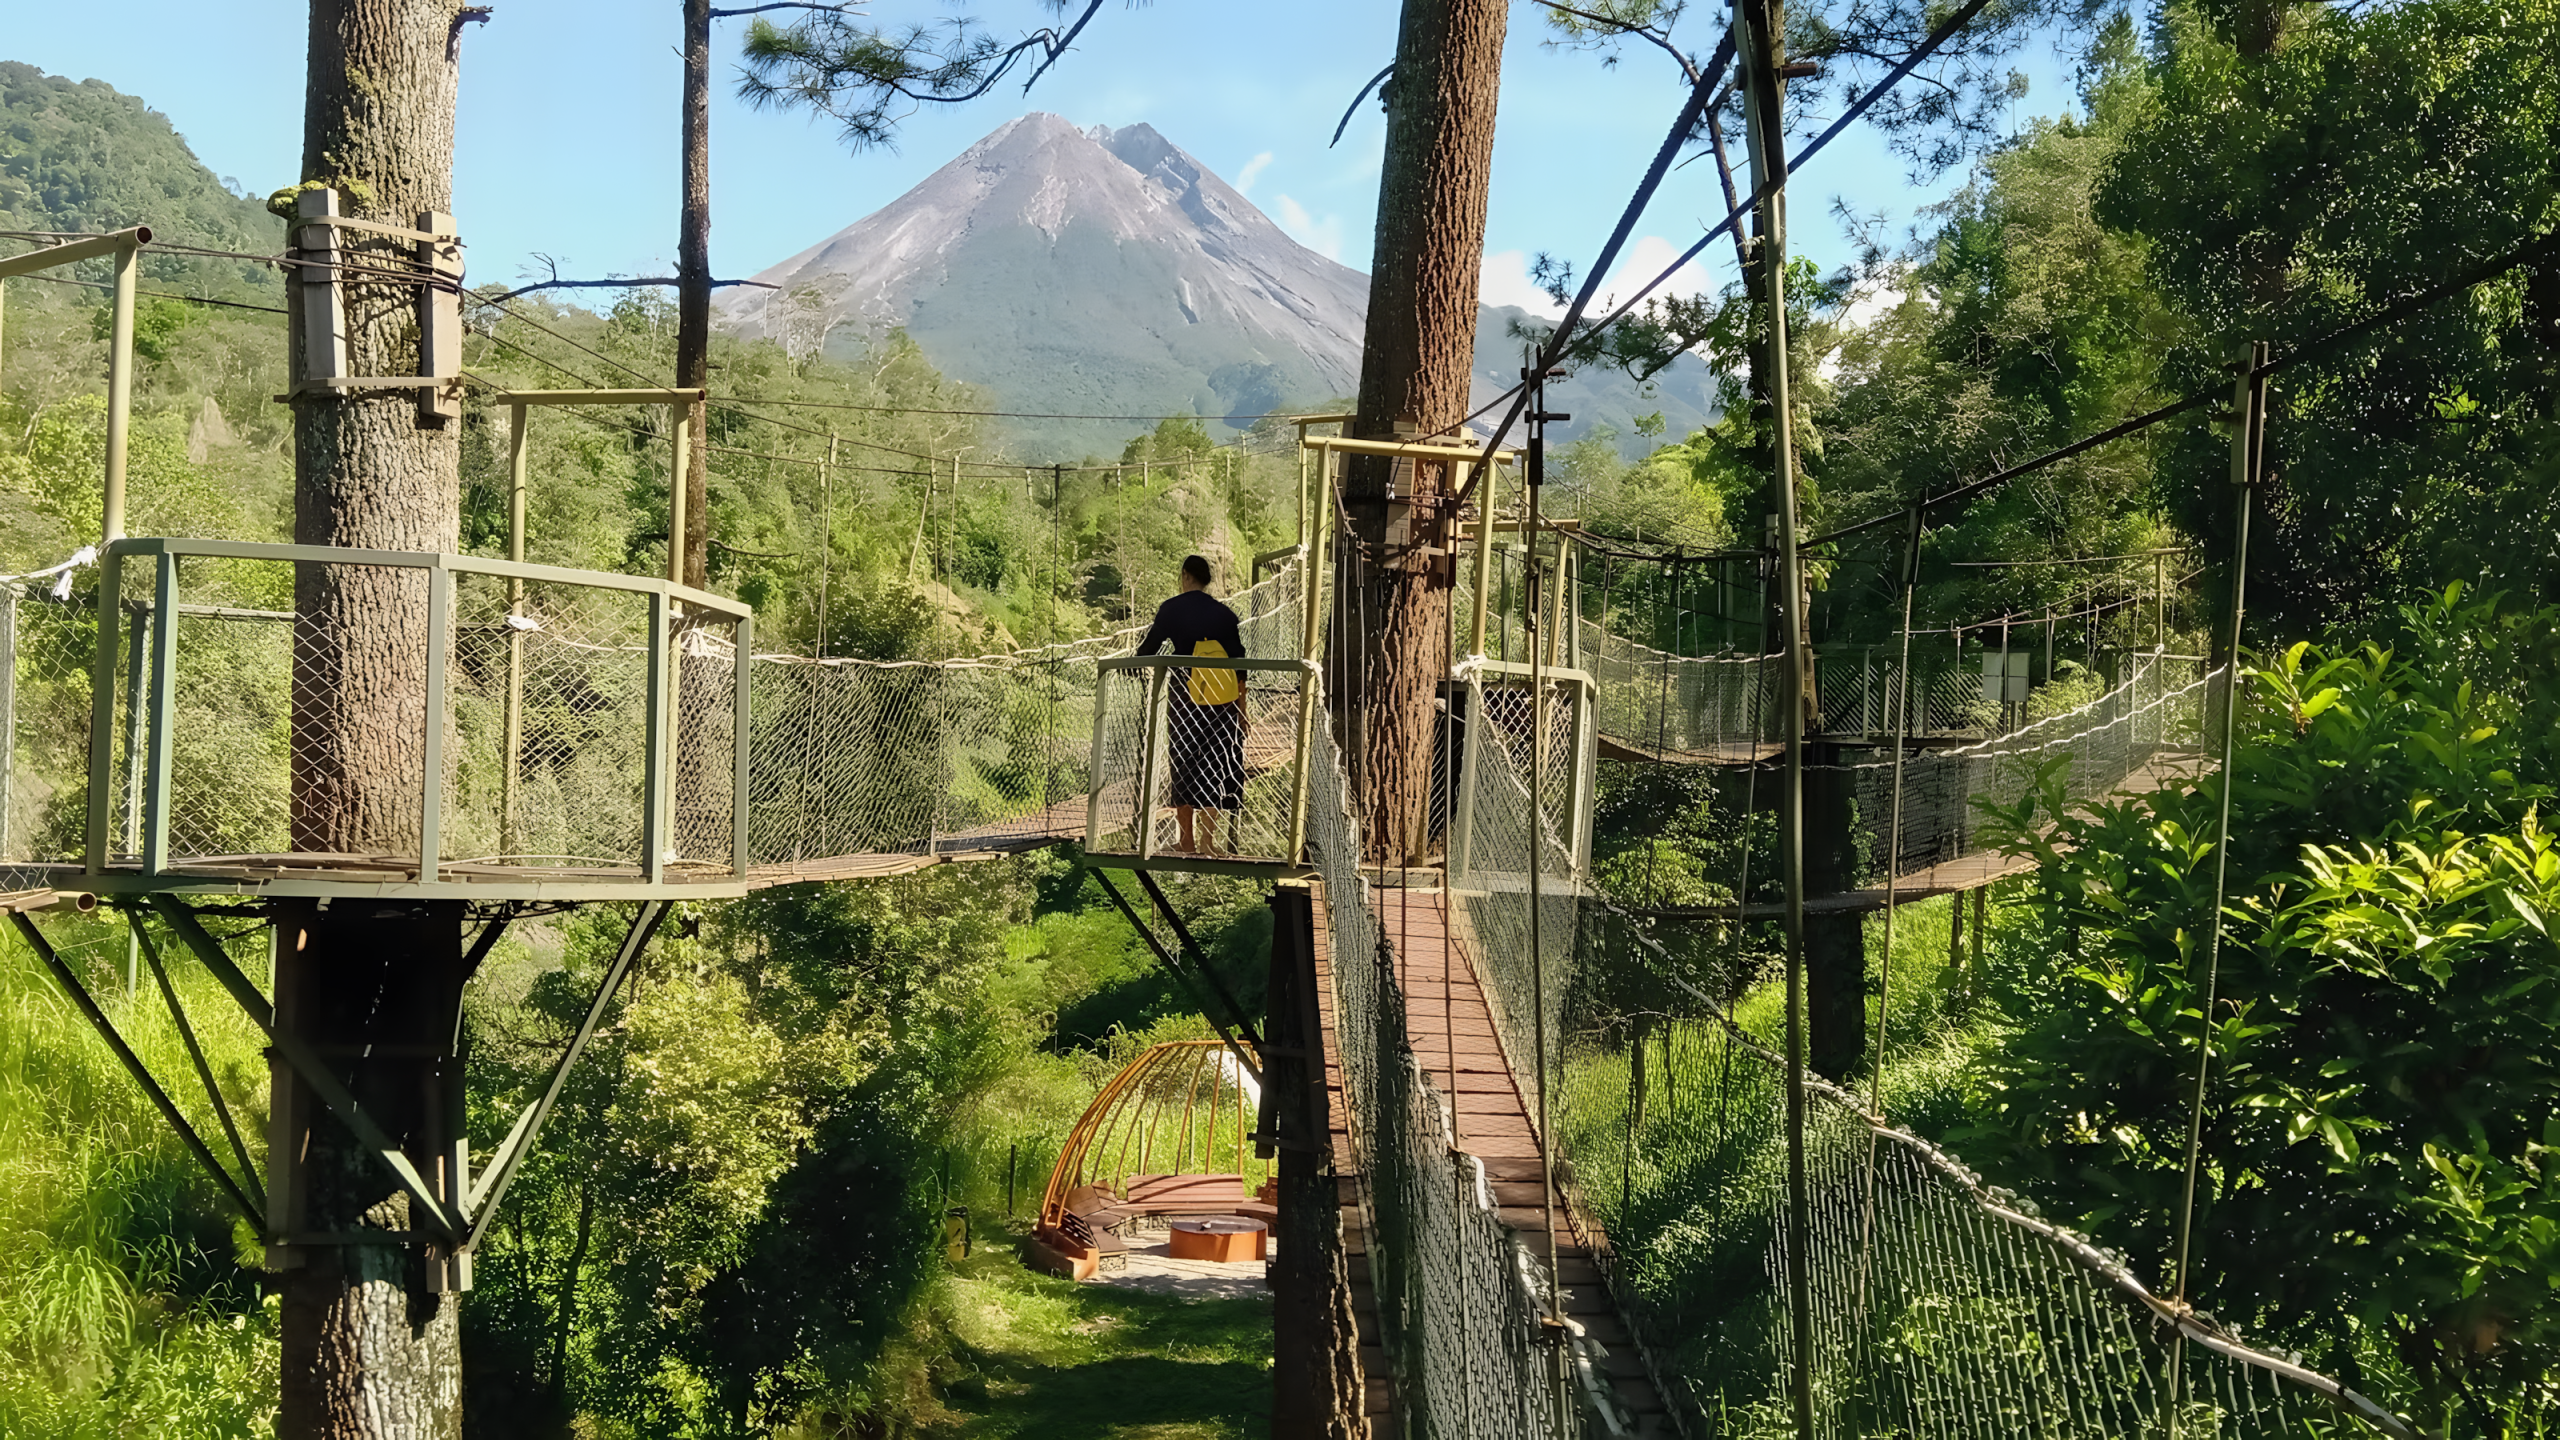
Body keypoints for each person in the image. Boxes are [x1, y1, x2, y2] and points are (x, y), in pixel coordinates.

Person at [1136, 555, 1247, 855]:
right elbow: (1240, 666)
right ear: (1207, 579)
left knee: (1184, 764)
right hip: (1222, 702)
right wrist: (1242, 707)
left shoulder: (1171, 609)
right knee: (1213, 764)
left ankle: (1186, 840)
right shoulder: (1225, 615)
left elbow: (1149, 649)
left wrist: (1132, 663)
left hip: (1186, 698)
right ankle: (1208, 843)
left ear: (1185, 576)